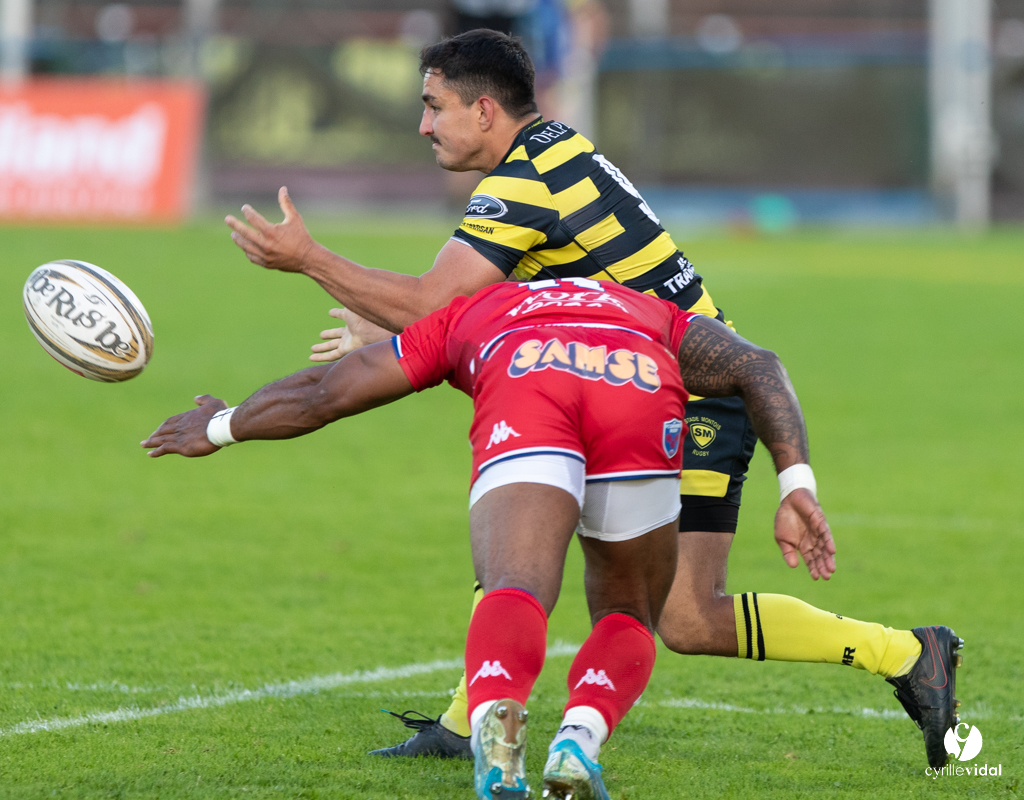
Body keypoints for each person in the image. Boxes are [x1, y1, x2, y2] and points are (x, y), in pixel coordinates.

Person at [224, 29, 963, 770]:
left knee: (681, 615)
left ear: (484, 111)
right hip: (634, 381)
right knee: (535, 532)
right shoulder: (551, 152)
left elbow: (433, 304)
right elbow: (502, 306)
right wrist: (387, 320)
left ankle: (904, 653)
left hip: (691, 392)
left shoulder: (526, 180)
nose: (423, 125)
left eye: (434, 106)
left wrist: (310, 260)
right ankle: (466, 719)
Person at [143, 277, 850, 799]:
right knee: (629, 613)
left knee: (515, 585)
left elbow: (332, 390)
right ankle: (578, 740)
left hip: (528, 385)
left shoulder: (477, 311)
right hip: (634, 387)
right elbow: (760, 367)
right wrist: (797, 489)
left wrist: (221, 424)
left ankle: (494, 732)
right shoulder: (645, 307)